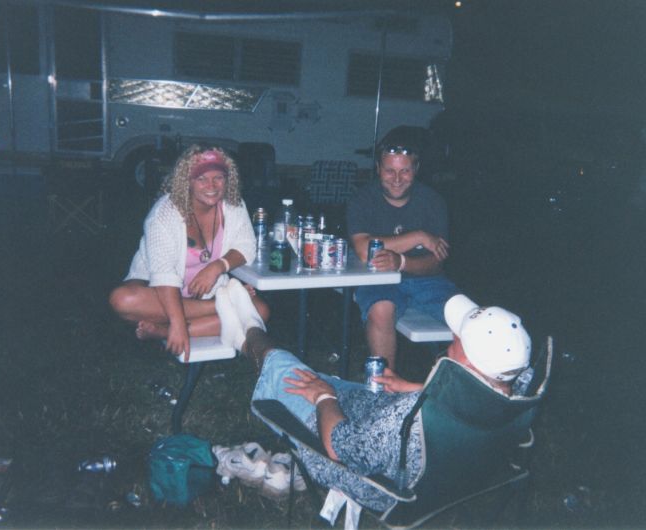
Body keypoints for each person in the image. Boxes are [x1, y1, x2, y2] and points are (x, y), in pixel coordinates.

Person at [215, 282, 532, 512]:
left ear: (469, 363)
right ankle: (247, 337)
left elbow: (339, 447)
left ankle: (249, 332)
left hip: (366, 474)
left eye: (458, 339)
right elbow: (466, 396)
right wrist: (414, 386)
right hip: (405, 449)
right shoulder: (511, 393)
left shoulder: (406, 417)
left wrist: (324, 398)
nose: (453, 335)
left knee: (282, 369)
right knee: (310, 375)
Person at [109, 144, 269, 359]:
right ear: (187, 181)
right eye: (201, 178)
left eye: (218, 177)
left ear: (228, 179)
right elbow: (163, 274)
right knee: (122, 300)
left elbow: (246, 246)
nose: (211, 186)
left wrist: (217, 266)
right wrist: (178, 320)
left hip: (207, 293)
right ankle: (223, 303)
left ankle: (164, 330)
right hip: (158, 291)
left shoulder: (234, 205)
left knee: (261, 311)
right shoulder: (164, 214)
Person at [346, 127, 460, 370]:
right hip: (378, 279)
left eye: (404, 171)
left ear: (415, 170)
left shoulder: (433, 202)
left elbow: (436, 263)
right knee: (381, 309)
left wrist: (401, 262)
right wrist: (419, 236)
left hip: (428, 282)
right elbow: (365, 250)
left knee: (470, 318)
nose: (397, 179)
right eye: (390, 170)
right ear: (378, 168)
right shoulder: (362, 199)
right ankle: (384, 385)